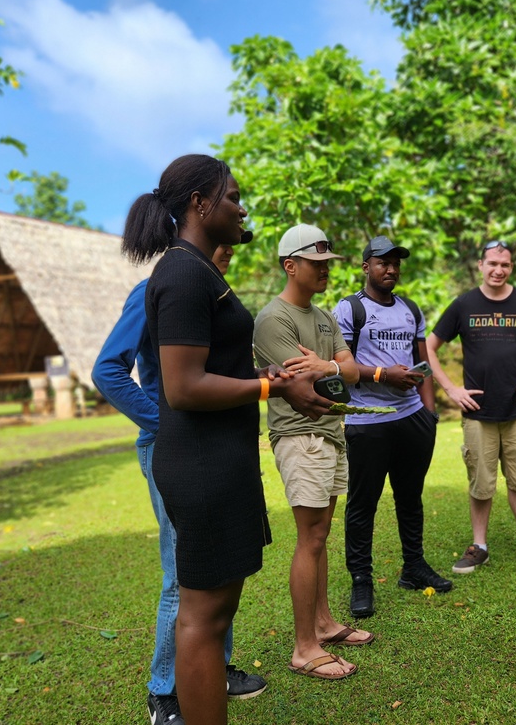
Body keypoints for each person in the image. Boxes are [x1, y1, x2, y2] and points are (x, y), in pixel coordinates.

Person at [120, 155, 330, 725]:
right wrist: (272, 387)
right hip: (202, 465)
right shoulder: (184, 273)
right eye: (233, 197)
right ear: (199, 203)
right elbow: (184, 387)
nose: (242, 209)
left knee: (213, 612)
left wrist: (278, 385)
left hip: (220, 461)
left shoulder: (197, 270)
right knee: (203, 617)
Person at [92, 241, 268, 725]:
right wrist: (161, 422)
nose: (229, 250)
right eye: (221, 242)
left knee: (216, 568)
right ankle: (164, 694)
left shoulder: (213, 296)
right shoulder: (154, 291)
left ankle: (216, 668)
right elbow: (107, 370)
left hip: (214, 448)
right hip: (176, 446)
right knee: (183, 575)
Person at [253, 224, 373, 681]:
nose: (325, 269)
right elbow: (309, 384)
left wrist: (329, 365)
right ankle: (304, 647)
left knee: (322, 531)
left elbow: (350, 370)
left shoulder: (323, 316)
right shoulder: (273, 319)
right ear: (290, 265)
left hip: (332, 432)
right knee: (311, 537)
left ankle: (323, 624)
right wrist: (334, 369)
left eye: (327, 263)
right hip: (300, 434)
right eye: (316, 263)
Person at [426, 240, 516, 574]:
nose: (498, 270)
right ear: (481, 265)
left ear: (511, 268)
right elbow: (430, 348)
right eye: (492, 263)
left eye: (504, 264)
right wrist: (450, 389)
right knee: (481, 481)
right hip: (478, 412)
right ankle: (480, 546)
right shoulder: (463, 305)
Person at [333, 236, 452, 619]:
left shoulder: (410, 309)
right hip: (367, 420)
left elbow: (423, 364)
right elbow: (342, 368)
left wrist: (429, 415)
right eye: (383, 262)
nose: (391, 269)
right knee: (363, 503)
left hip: (412, 418)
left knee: (410, 497)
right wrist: (385, 375)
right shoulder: (351, 309)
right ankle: (361, 581)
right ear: (366, 266)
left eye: (396, 262)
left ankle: (413, 568)